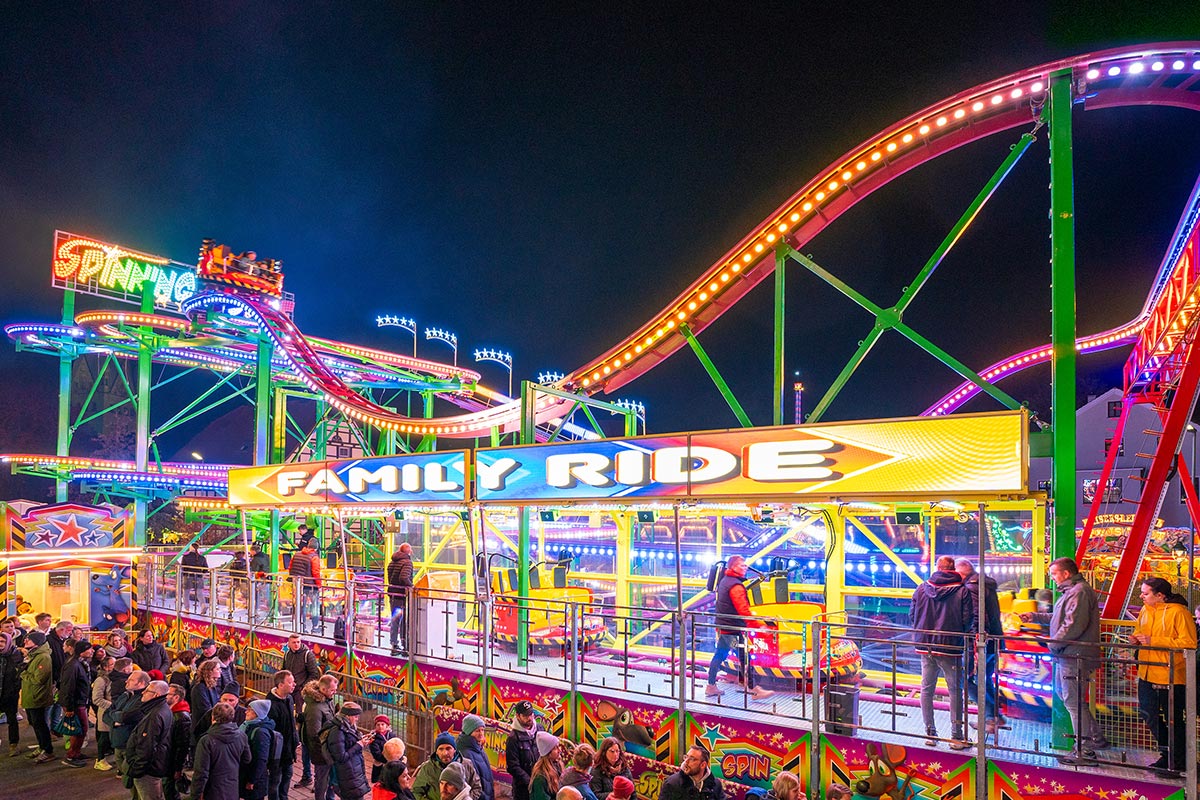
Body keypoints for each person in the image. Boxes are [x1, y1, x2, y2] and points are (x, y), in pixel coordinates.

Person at [1020, 557, 1106, 764]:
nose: (1052, 577)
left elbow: (1072, 625)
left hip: (1073, 654)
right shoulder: (1073, 591)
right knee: (1072, 700)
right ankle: (1096, 738)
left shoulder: (1079, 592)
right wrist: (1035, 616)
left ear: (1066, 574)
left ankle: (1084, 750)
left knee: (1072, 701)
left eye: (1055, 573)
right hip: (1069, 653)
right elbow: (1060, 618)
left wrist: (1052, 644)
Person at [1130, 576, 1196, 776]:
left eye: (1146, 593)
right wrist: (1136, 640)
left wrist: (1153, 640)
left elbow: (1189, 642)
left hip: (1171, 675)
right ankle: (1167, 754)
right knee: (1148, 714)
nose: (1141, 596)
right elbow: (1140, 632)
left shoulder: (1179, 613)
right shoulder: (1145, 611)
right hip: (1147, 672)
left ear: (1160, 595)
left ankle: (1178, 760)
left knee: (1173, 719)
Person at [910, 555, 971, 750]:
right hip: (950, 647)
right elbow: (968, 619)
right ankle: (956, 736)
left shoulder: (921, 588)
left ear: (937, 567)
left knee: (926, 689)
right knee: (955, 691)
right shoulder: (962, 591)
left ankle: (930, 734)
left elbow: (912, 614)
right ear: (953, 569)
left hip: (925, 645)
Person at [705, 556, 773, 700]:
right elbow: (743, 610)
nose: (744, 568)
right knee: (741, 657)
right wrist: (759, 625)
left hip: (726, 626)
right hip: (732, 629)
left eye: (744, 565)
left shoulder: (724, 581)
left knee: (725, 655)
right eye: (741, 565)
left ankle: (712, 686)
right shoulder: (735, 586)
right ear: (733, 567)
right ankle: (754, 689)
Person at [955, 558, 1004, 732]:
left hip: (978, 643)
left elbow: (976, 616)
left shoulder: (971, 588)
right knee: (985, 678)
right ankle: (996, 716)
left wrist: (972, 641)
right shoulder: (985, 585)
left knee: (965, 679)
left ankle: (990, 717)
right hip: (993, 641)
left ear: (961, 574)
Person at [191, 701, 251, 800]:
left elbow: (201, 772)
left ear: (212, 717)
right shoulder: (241, 736)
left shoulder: (206, 740)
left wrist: (196, 795)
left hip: (211, 790)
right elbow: (247, 759)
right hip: (232, 787)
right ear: (232, 717)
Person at [284, 633, 322, 788]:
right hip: (292, 690)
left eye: (298, 642)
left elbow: (313, 673)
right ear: (289, 643)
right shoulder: (287, 654)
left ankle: (314, 778)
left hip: (300, 691)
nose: (296, 644)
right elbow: (284, 670)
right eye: (293, 642)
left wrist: (301, 687)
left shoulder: (307, 655)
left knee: (301, 716)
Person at [127, 680, 175, 800]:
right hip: (155, 765)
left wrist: (137, 769)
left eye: (147, 690)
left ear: (156, 695)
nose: (143, 692)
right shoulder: (162, 708)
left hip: (148, 770)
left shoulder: (154, 715)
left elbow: (147, 747)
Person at [300, 676, 338, 800]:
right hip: (322, 751)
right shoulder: (315, 707)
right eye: (332, 690)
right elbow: (314, 734)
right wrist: (322, 754)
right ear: (323, 689)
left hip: (330, 747)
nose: (335, 692)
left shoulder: (327, 700)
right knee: (322, 779)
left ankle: (330, 798)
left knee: (332, 777)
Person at [325, 702, 372, 800]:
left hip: (352, 772)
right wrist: (359, 745)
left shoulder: (346, 726)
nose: (357, 719)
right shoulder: (337, 732)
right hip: (346, 775)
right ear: (347, 716)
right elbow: (341, 757)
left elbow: (349, 743)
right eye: (355, 716)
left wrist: (361, 739)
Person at [20, 630, 54, 762]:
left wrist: (23, 674)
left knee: (41, 724)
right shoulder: (33, 654)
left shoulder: (43, 657)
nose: (25, 641)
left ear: (37, 642)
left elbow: (39, 679)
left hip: (38, 696)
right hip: (31, 694)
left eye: (29, 640)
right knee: (35, 723)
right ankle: (42, 747)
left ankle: (48, 750)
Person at [60, 636, 94, 766]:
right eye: (89, 649)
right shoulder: (74, 665)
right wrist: (69, 708)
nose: (92, 651)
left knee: (81, 729)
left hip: (80, 701)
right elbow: (68, 687)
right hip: (75, 703)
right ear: (81, 651)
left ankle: (76, 752)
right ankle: (71, 756)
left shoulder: (79, 663)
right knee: (79, 729)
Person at [111, 669, 151, 779]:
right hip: (117, 741)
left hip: (130, 743)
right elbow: (108, 712)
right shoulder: (126, 695)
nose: (126, 682)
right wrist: (117, 718)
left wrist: (118, 716)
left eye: (131, 680)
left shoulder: (143, 699)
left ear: (142, 683)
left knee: (131, 778)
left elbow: (126, 716)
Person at [265, 670, 297, 800]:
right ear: (280, 685)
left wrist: (295, 740)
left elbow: (291, 722)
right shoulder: (270, 704)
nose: (294, 684)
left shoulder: (289, 698)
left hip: (289, 749)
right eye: (290, 682)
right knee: (275, 781)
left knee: (288, 775)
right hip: (276, 753)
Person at [243, 699, 280, 800]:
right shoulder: (250, 726)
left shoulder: (260, 733)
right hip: (251, 775)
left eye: (250, 710)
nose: (246, 712)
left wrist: (252, 780)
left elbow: (261, 759)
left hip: (256, 780)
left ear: (257, 713)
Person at [506, 700, 540, 800]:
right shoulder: (513, 738)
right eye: (525, 716)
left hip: (540, 782)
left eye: (531, 714)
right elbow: (512, 766)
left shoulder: (539, 728)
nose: (529, 718)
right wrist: (530, 782)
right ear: (517, 716)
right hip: (523, 789)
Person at [288, 539, 322, 635]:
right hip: (311, 586)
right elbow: (316, 572)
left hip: (298, 584)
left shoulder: (297, 554)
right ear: (316, 548)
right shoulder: (314, 557)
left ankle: (302, 626)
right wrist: (319, 585)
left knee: (301, 605)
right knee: (315, 606)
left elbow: (290, 568)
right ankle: (315, 627)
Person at [456, 715, 494, 800]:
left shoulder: (478, 748)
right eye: (477, 731)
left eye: (482, 730)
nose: (481, 733)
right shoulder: (466, 754)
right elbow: (471, 784)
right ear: (469, 732)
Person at [165, 683, 192, 800]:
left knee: (170, 789)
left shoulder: (182, 717)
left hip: (172, 761)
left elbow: (182, 745)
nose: (164, 696)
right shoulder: (171, 712)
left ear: (176, 697)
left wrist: (178, 768)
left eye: (167, 694)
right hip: (168, 758)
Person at [414, 733, 460, 800]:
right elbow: (416, 791)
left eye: (448, 748)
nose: (445, 753)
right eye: (441, 749)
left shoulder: (466, 765)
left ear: (454, 750)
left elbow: (476, 787)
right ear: (436, 752)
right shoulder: (427, 768)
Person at [91, 654, 117, 770]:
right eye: (112, 664)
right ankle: (100, 760)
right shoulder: (101, 680)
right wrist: (112, 705)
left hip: (113, 712)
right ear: (106, 667)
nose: (115, 666)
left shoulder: (114, 678)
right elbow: (96, 699)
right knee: (104, 737)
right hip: (105, 712)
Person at [388, 544, 415, 655]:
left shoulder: (392, 561)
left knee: (395, 619)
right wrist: (411, 586)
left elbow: (390, 577)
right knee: (404, 621)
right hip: (401, 595)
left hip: (392, 593)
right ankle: (405, 646)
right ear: (409, 551)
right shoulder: (407, 562)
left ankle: (394, 644)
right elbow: (404, 577)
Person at [0, 632, 23, 757]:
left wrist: (14, 690)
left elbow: (19, 676)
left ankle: (13, 744)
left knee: (12, 720)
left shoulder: (15, 656)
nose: (0, 644)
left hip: (10, 695)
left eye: (2, 642)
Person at [192, 659, 224, 746]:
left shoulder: (212, 687)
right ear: (209, 671)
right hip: (202, 729)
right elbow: (205, 710)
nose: (220, 671)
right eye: (217, 669)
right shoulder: (199, 688)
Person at [529, 732, 563, 800]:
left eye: (558, 746)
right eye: (555, 748)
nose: (560, 750)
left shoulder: (557, 765)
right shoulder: (540, 777)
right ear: (548, 753)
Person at [181, 542, 209, 612]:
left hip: (188, 576)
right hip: (199, 577)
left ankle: (187, 608)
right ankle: (203, 605)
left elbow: (183, 568)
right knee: (199, 593)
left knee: (186, 593)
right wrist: (200, 573)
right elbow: (206, 569)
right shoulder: (202, 558)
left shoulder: (185, 557)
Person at [369, 713, 396, 783]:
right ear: (375, 726)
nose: (380, 726)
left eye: (382, 724)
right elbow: (376, 754)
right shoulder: (373, 739)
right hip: (380, 764)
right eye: (378, 725)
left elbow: (397, 747)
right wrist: (388, 760)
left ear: (387, 726)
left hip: (392, 763)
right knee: (380, 782)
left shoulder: (392, 736)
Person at [47, 619, 73, 684]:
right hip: (54, 674)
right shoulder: (48, 640)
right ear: (61, 629)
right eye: (69, 630)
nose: (71, 633)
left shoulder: (67, 640)